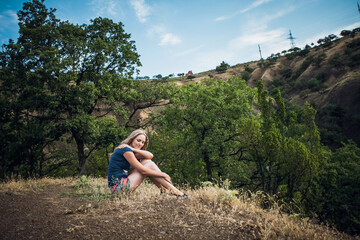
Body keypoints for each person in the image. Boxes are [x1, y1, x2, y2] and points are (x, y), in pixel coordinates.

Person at [107, 129, 186, 197]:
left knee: (147, 162)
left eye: (143, 142)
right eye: (138, 140)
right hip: (119, 188)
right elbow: (143, 171)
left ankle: (165, 190)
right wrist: (163, 174)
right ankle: (174, 191)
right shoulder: (125, 150)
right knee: (149, 165)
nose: (140, 144)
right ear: (132, 139)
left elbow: (150, 155)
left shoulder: (130, 150)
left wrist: (134, 149)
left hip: (122, 186)